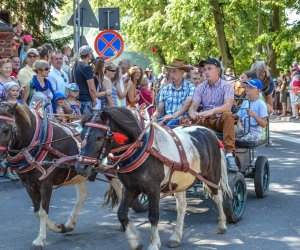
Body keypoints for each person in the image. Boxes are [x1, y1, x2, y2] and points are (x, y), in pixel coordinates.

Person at [188, 58, 238, 171]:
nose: (206, 72)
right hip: (205, 119)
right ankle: (191, 155)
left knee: (228, 115)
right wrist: (193, 114)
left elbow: (228, 106)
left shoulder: (227, 86)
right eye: (204, 69)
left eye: (209, 69)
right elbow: (193, 107)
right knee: (185, 121)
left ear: (218, 70)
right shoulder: (200, 87)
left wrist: (212, 111)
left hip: (220, 119)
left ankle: (229, 154)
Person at [153, 59, 195, 128]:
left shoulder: (190, 87)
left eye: (174, 71)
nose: (171, 74)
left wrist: (172, 116)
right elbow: (158, 111)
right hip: (166, 121)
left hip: (183, 122)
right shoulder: (165, 89)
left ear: (182, 72)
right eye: (170, 72)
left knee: (171, 122)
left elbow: (186, 106)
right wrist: (153, 117)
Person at [72, 45, 97, 115]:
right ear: (89, 54)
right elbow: (92, 88)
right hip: (85, 100)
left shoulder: (76, 65)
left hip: (77, 99)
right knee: (88, 124)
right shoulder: (86, 67)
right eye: (91, 53)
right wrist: (94, 100)